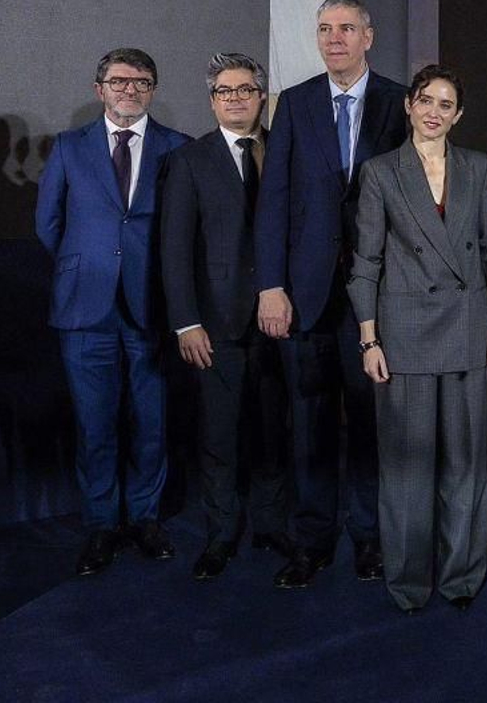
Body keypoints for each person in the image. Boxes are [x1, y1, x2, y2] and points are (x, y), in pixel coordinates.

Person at [254, 0, 407, 588]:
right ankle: (312, 539)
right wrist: (271, 284)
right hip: (307, 295)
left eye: (346, 28)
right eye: (324, 29)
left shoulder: (399, 103)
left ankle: (370, 537)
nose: (334, 38)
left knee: (371, 422)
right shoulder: (294, 103)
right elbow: (273, 205)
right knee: (310, 421)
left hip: (378, 296)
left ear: (368, 36)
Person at [348, 65, 487, 613]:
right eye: (427, 101)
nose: (435, 112)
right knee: (408, 469)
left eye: (446, 104)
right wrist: (369, 339)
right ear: (409, 107)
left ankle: (461, 577)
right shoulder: (381, 173)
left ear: (458, 115)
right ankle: (409, 582)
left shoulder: (478, 167)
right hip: (404, 333)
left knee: (466, 465)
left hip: (465, 325)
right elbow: (365, 260)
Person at [35, 48, 189, 576]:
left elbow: (185, 230)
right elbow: (48, 223)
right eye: (119, 81)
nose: (130, 90)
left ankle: (145, 518)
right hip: (85, 308)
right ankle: (101, 524)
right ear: (99, 88)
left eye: (141, 81)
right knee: (95, 424)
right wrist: (90, 268)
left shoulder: (178, 149)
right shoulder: (68, 147)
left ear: (153, 89)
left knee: (150, 422)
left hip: (152, 308)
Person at [159, 53, 292, 580]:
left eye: (244, 89)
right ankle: (220, 534)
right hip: (215, 325)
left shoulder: (284, 152)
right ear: (212, 100)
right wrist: (185, 321)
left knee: (273, 433)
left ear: (262, 96)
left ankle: (271, 525)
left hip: (282, 319)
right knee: (219, 437)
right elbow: (173, 249)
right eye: (223, 91)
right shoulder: (190, 160)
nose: (235, 98)